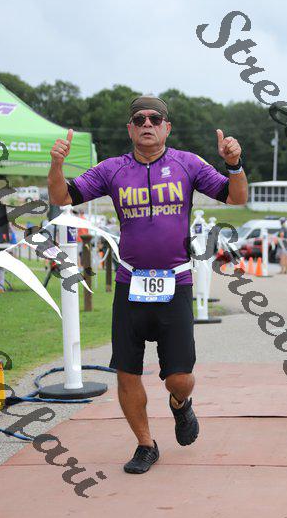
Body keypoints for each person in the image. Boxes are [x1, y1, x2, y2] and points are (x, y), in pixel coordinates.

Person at [47, 95, 248, 474]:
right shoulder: (112, 169)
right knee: (127, 372)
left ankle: (180, 404)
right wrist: (56, 165)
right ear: (130, 128)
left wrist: (234, 164)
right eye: (139, 119)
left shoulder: (188, 164)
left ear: (167, 127)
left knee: (180, 378)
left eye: (155, 119)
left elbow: (237, 197)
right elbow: (61, 196)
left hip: (176, 281)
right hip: (130, 282)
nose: (147, 124)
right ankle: (145, 444)